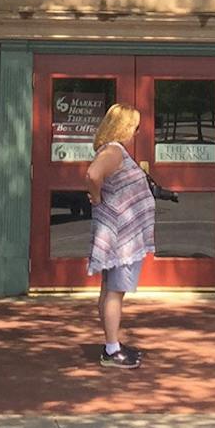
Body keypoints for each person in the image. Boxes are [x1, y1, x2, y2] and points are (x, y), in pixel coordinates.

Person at [84, 102, 156, 368]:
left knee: (109, 289)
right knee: (115, 292)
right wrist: (96, 197)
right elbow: (93, 174)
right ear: (125, 127)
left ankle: (112, 343)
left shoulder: (113, 150)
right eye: (135, 127)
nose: (137, 132)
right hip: (120, 236)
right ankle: (111, 350)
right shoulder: (113, 151)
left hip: (119, 232)